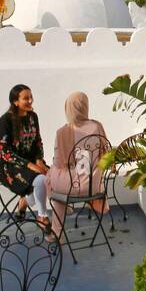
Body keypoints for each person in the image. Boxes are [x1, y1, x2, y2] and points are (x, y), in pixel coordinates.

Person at [48, 92, 110, 237]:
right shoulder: (97, 126)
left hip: (73, 186)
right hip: (93, 186)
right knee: (55, 180)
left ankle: (57, 233)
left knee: (51, 178)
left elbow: (58, 162)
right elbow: (106, 153)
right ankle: (93, 202)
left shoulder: (63, 131)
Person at [0, 84, 51, 232]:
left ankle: (24, 202)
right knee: (40, 179)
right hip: (10, 166)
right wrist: (30, 165)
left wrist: (39, 159)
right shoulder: (5, 120)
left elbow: (38, 141)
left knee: (51, 176)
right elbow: (5, 152)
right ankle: (42, 217)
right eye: (26, 98)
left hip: (32, 162)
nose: (30, 100)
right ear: (15, 101)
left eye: (31, 97)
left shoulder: (33, 117)